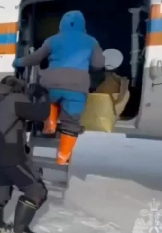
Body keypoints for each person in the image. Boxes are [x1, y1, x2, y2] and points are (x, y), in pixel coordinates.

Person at [12, 10, 105, 165]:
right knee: (71, 121)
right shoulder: (91, 41)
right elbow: (98, 64)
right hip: (76, 86)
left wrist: (19, 62)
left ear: (62, 24)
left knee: (50, 99)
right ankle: (63, 156)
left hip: (51, 83)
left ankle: (50, 123)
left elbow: (36, 58)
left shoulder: (52, 40)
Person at [0, 76, 51, 233]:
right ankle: (20, 231)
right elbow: (42, 114)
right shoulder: (14, 99)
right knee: (36, 191)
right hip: (12, 157)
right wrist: (43, 95)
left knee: (1, 192)